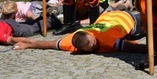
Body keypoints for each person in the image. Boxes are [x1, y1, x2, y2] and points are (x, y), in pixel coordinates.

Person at [11, 10, 146, 54]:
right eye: (92, 48)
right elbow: (48, 44)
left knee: (156, 18)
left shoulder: (106, 38)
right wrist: (28, 45)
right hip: (109, 15)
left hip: (127, 19)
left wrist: (155, 51)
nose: (95, 47)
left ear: (90, 35)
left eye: (94, 44)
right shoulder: (71, 40)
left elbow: (132, 47)